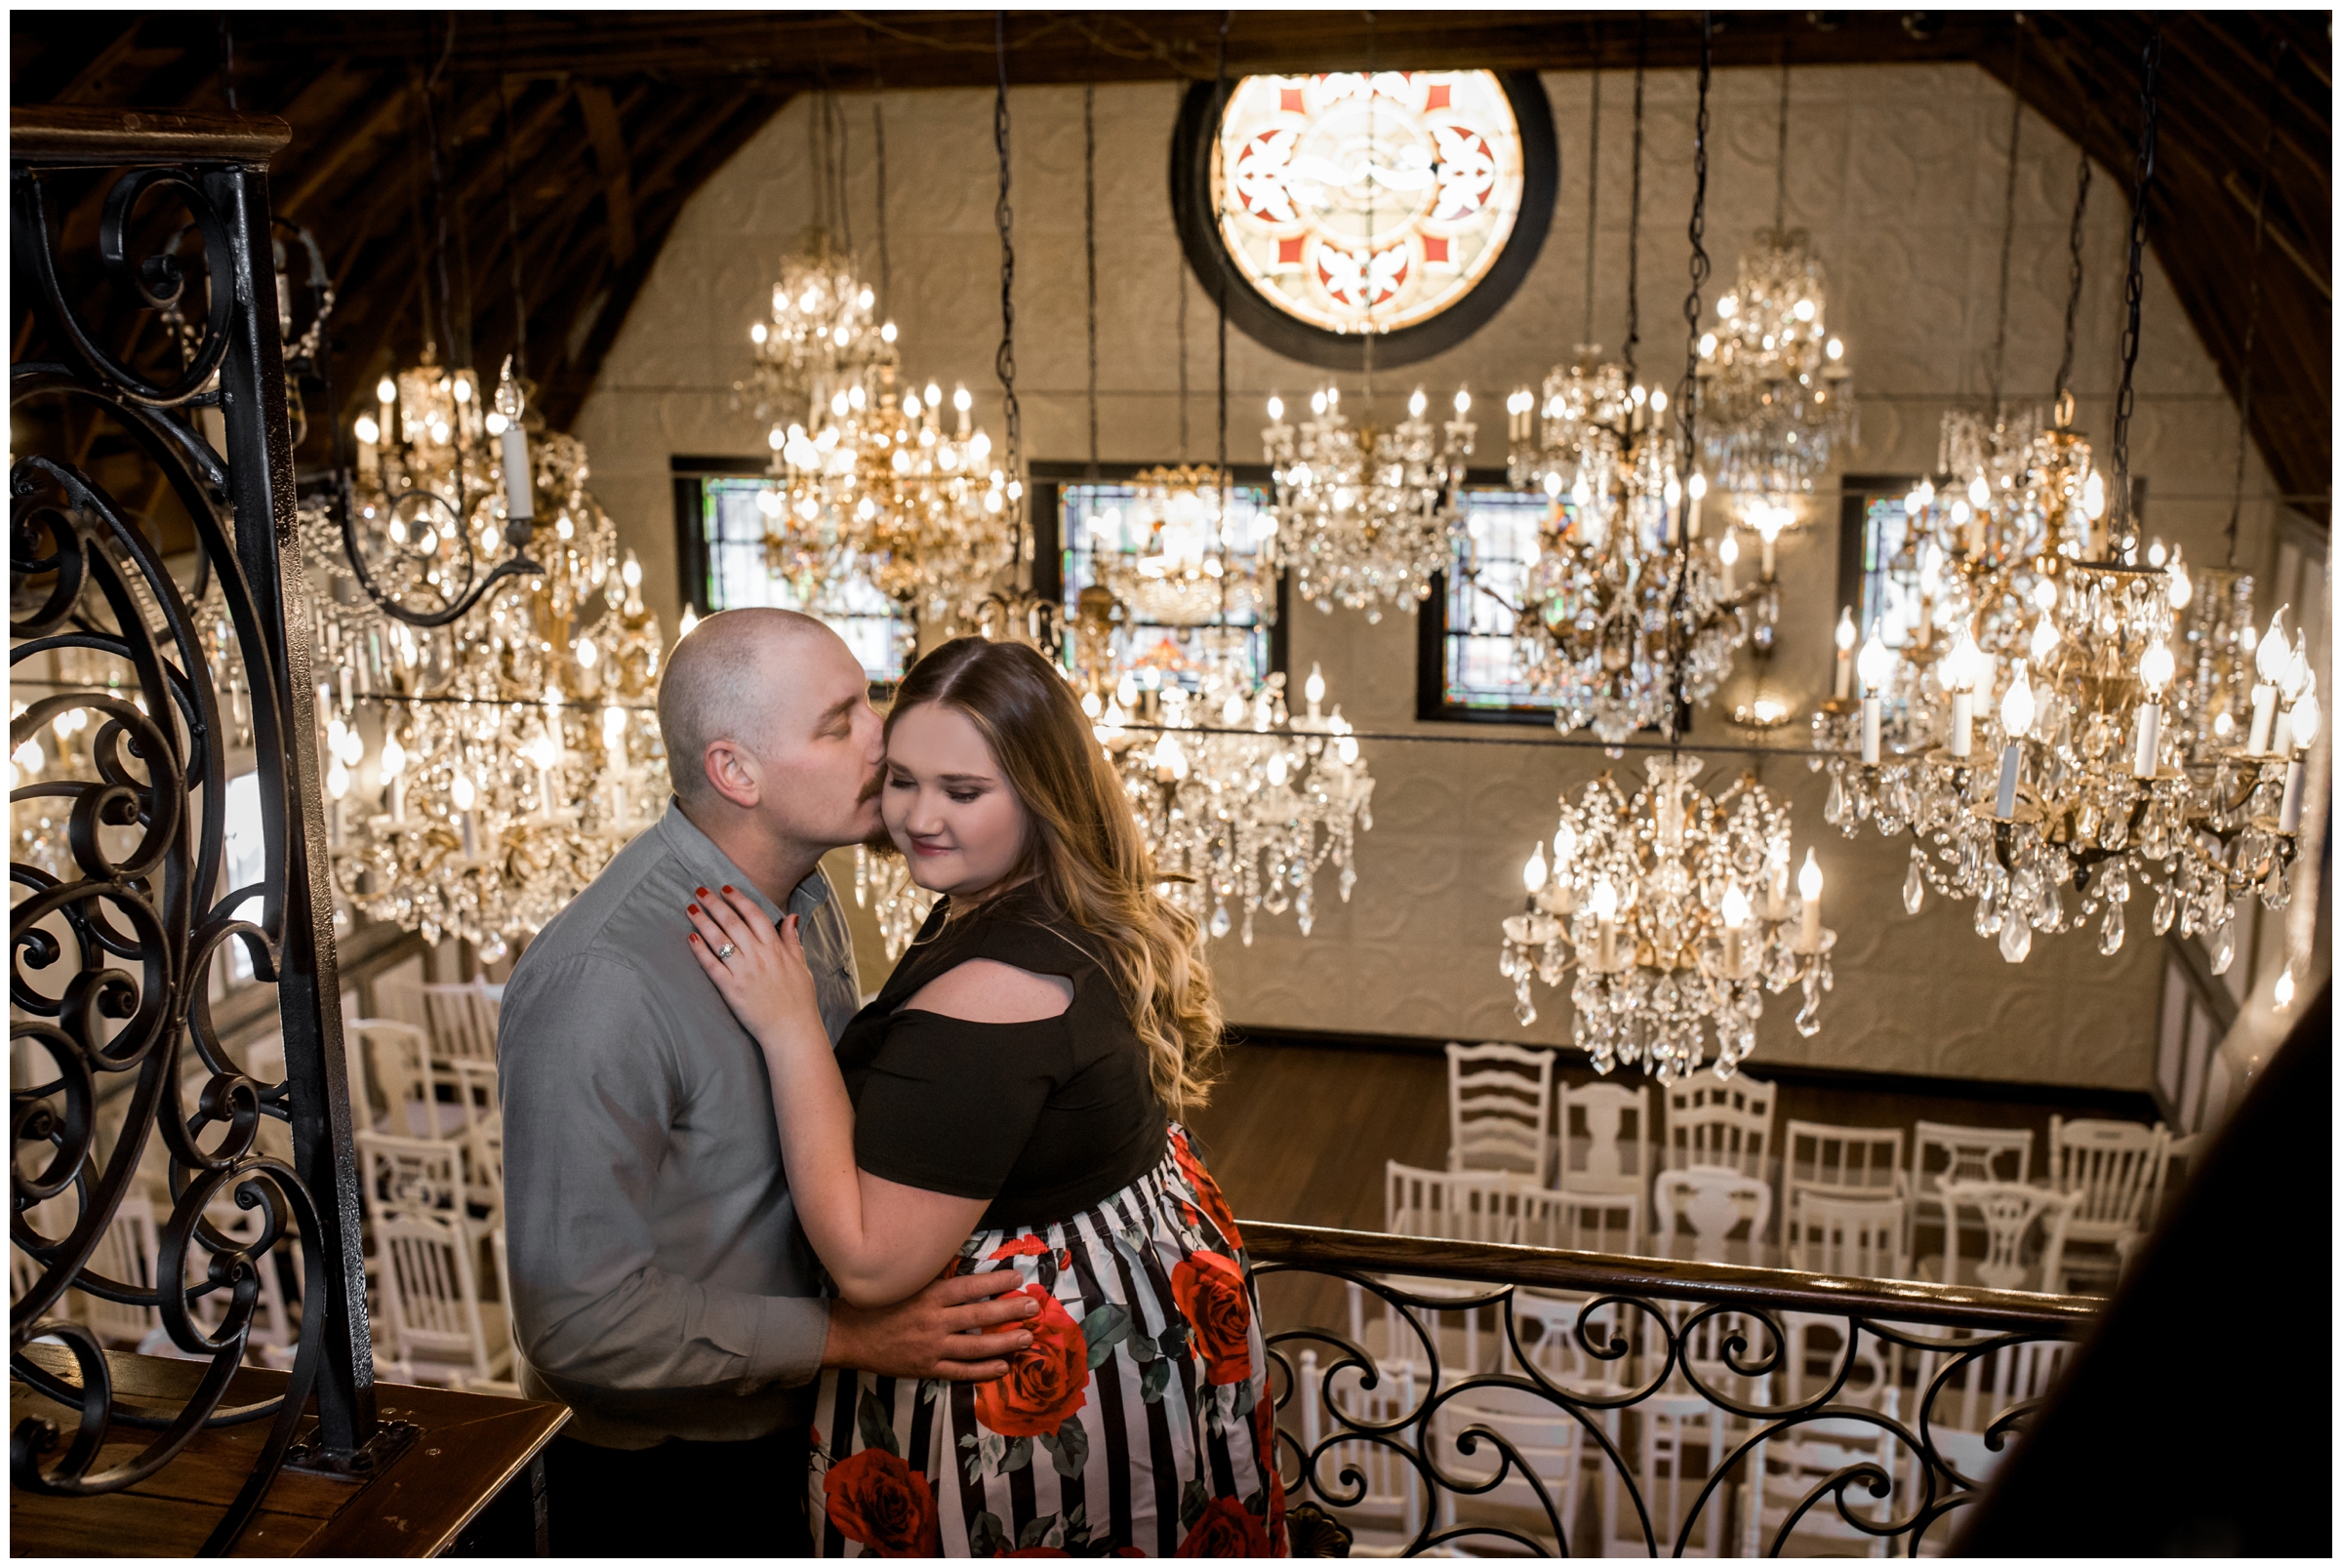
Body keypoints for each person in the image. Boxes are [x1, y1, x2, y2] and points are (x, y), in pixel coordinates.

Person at [684, 635, 1285, 1557]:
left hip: (1034, 1385)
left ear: (1039, 796)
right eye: (905, 778)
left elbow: (872, 1265)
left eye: (963, 792)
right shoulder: (1047, 892)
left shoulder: (995, 990)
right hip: (1135, 1303)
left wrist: (789, 1023)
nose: (921, 816)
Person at [500, 609, 1042, 1557]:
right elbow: (576, 1322)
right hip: (660, 1485)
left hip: (803, 1428)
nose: (886, 737)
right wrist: (851, 1335)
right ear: (735, 771)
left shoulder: (808, 891)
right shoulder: (601, 985)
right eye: (841, 723)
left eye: (872, 701)